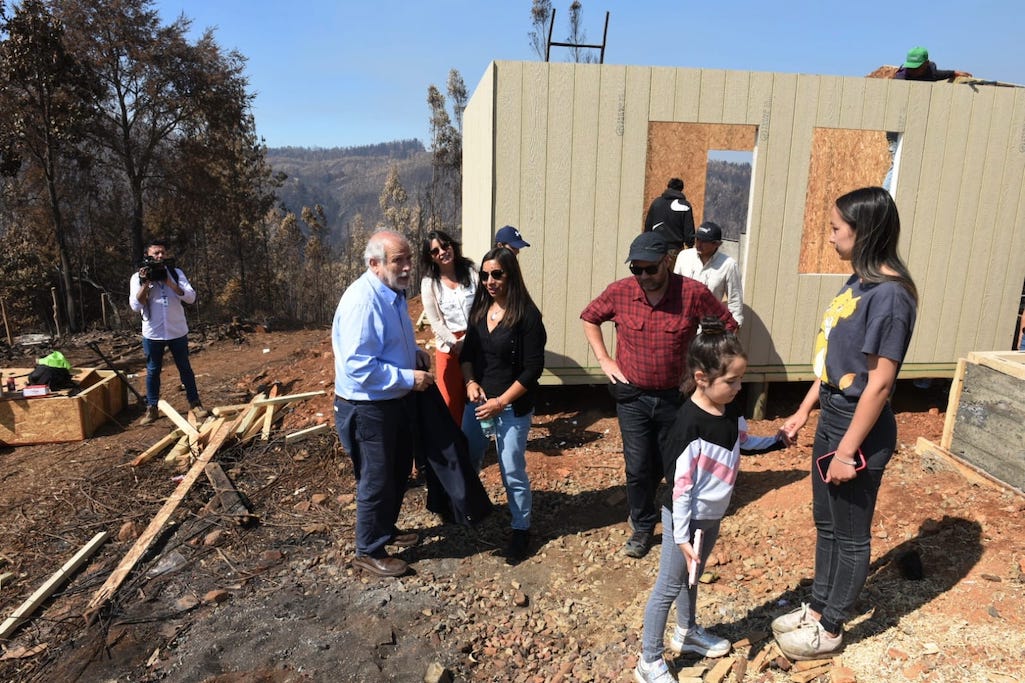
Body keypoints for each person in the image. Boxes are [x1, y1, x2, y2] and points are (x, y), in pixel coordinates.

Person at [772, 187, 918, 660]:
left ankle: (831, 629)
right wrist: (803, 409)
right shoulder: (856, 283)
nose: (830, 237)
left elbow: (877, 385)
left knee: (851, 535)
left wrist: (845, 452)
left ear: (866, 232)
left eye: (837, 229)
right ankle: (818, 608)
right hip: (833, 415)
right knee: (826, 524)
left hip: (860, 429)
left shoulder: (892, 297)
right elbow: (835, 363)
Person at [634, 320, 786, 683]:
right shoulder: (689, 424)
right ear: (702, 377)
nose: (738, 388)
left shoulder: (731, 409)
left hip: (711, 517)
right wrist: (682, 538)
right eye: (731, 381)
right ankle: (649, 660)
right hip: (685, 520)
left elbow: (742, 443)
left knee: (692, 578)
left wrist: (777, 441)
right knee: (668, 587)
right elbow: (680, 488)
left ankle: (686, 632)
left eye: (740, 380)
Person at [580, 231, 738, 559]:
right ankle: (641, 525)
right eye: (636, 269)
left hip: (674, 398)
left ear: (666, 262)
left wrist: (699, 368)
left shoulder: (692, 294)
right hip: (633, 397)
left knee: (673, 465)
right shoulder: (621, 292)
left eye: (650, 269)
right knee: (637, 465)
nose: (643, 276)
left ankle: (675, 521)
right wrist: (604, 359)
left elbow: (725, 325)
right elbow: (590, 317)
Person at [332, 230, 435, 578]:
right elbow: (359, 367)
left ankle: (384, 531)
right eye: (398, 261)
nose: (407, 267)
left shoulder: (391, 291)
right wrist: (409, 378)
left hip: (390, 402)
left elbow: (384, 344)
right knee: (376, 479)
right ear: (374, 264)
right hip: (368, 408)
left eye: (408, 259)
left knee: (395, 472)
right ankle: (369, 550)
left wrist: (414, 353)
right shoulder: (364, 302)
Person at [460, 247, 547, 563]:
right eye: (484, 275)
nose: (489, 281)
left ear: (511, 275)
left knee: (511, 469)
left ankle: (521, 529)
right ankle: (469, 510)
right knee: (467, 456)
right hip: (479, 404)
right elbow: (467, 356)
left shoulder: (527, 317)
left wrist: (501, 402)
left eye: (497, 274)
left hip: (511, 406)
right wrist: (470, 382)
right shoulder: (480, 311)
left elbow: (533, 369)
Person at [129, 239, 206, 424]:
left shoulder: (176, 273)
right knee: (153, 371)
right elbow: (135, 305)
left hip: (177, 331)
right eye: (156, 253)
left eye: (162, 252)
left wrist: (170, 282)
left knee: (185, 368)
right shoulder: (137, 277)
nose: (160, 256)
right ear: (148, 256)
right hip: (153, 333)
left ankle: (195, 404)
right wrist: (146, 283)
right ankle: (152, 408)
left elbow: (191, 297)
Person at [420, 229, 479, 425]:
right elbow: (436, 322)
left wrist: (469, 338)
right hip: (449, 346)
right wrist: (456, 343)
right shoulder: (429, 283)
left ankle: (478, 440)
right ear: (431, 258)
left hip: (477, 338)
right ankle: (456, 445)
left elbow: (482, 307)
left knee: (477, 391)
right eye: (435, 251)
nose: (443, 252)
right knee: (451, 399)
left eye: (445, 245)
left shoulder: (472, 271)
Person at [673, 221, 744, 326]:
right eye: (697, 239)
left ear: (717, 244)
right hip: (681, 322)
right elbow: (673, 288)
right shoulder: (684, 256)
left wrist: (734, 326)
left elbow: (735, 300)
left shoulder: (729, 265)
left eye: (704, 241)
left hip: (708, 327)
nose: (699, 244)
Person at [644, 178, 696, 255]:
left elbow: (648, 227)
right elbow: (689, 232)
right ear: (681, 189)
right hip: (674, 250)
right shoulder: (684, 206)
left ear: (668, 187)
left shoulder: (656, 203)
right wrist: (690, 245)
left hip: (656, 249)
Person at [895, 46, 972, 82]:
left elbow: (940, 74)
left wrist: (954, 73)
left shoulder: (931, 73)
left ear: (926, 64)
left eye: (916, 68)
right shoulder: (902, 76)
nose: (912, 71)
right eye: (910, 67)